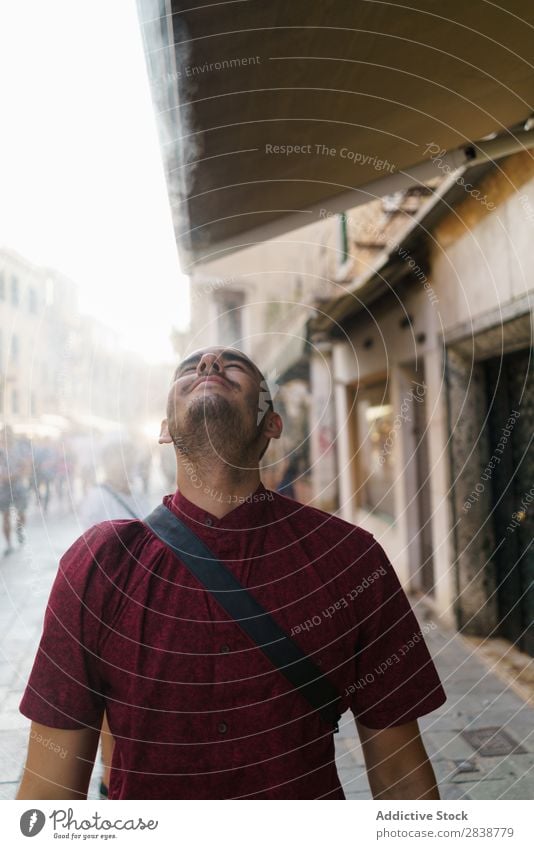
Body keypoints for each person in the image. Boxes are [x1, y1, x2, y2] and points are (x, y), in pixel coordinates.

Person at [17, 347, 446, 800]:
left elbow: (400, 770)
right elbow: (48, 789)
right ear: (165, 430)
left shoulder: (351, 559)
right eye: (190, 369)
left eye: (233, 365)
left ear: (272, 425)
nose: (208, 365)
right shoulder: (99, 565)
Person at [0, 427, 30, 555]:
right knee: (5, 516)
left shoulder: (19, 450)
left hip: (18, 486)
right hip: (3, 487)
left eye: (8, 434)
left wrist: (15, 475)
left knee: (22, 513)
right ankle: (8, 544)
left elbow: (27, 467)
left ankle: (19, 529)